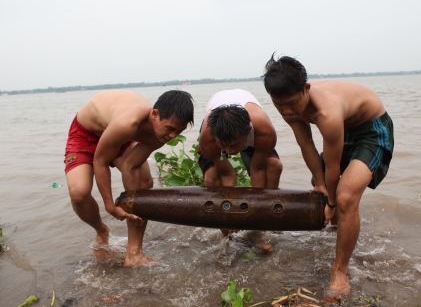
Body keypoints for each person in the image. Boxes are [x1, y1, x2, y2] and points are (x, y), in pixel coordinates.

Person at [263, 55, 394, 297]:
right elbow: (307, 146)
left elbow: (332, 167)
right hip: (343, 129)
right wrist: (321, 185)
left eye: (292, 102)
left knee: (344, 196)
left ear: (307, 89)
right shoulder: (286, 105)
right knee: (318, 183)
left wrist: (331, 202)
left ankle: (340, 270)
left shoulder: (327, 112)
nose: (287, 111)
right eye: (278, 104)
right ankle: (339, 228)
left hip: (371, 130)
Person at [64, 89, 194, 266]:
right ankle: (101, 230)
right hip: (86, 134)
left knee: (144, 181)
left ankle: (134, 252)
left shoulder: (162, 133)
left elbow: (131, 166)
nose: (172, 136)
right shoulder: (128, 122)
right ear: (154, 114)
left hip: (122, 138)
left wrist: (133, 203)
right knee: (79, 193)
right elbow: (100, 161)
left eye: (179, 131)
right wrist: (110, 206)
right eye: (170, 128)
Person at [198, 89, 283, 245]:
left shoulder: (264, 131)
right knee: (212, 178)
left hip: (251, 131)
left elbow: (257, 169)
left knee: (274, 165)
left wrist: (258, 214)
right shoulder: (208, 138)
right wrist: (229, 215)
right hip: (217, 129)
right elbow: (227, 173)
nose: (230, 151)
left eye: (234, 145)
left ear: (248, 132)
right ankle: (227, 236)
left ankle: (264, 228)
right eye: (224, 146)